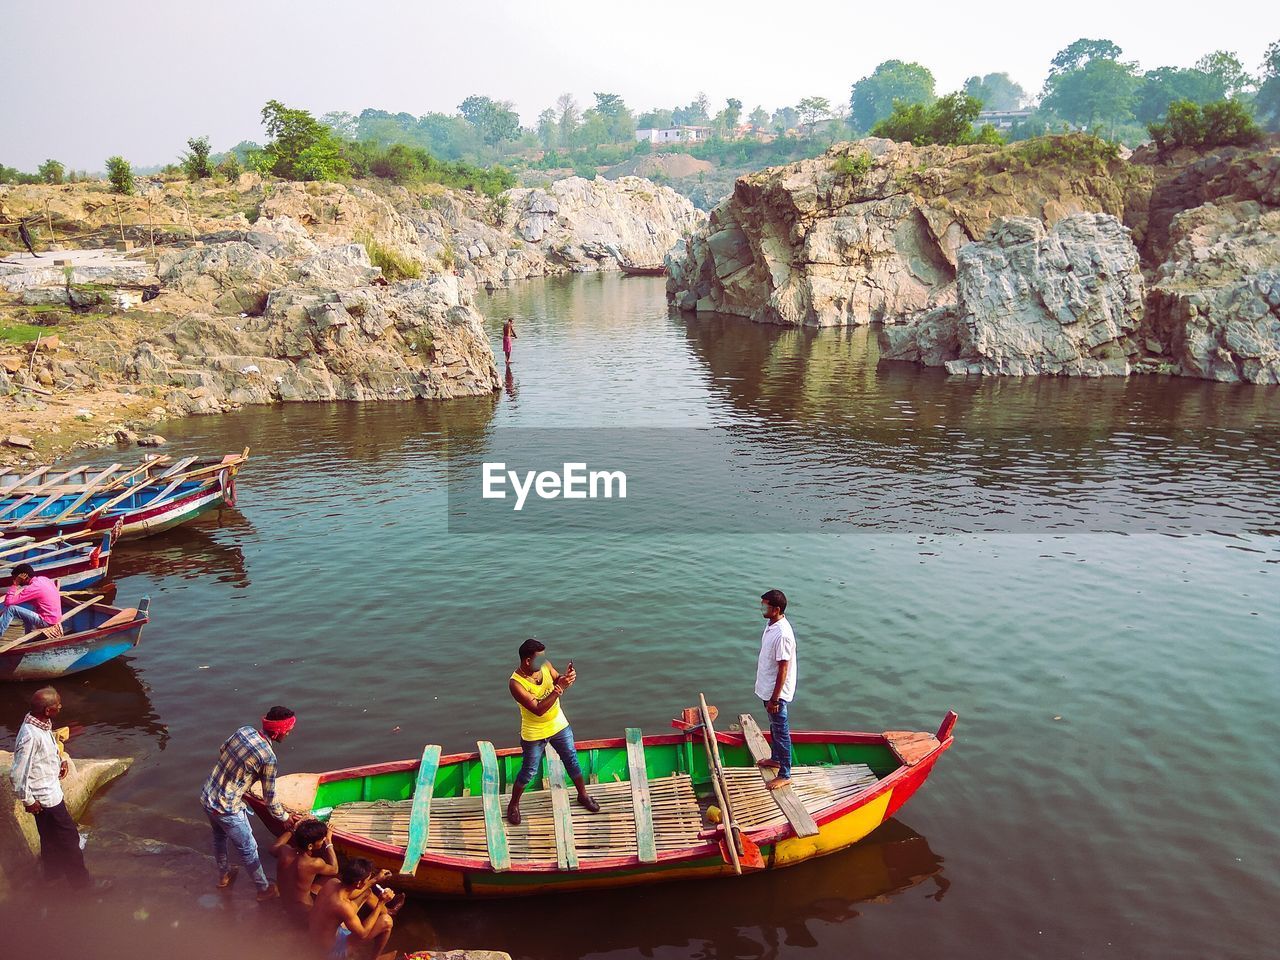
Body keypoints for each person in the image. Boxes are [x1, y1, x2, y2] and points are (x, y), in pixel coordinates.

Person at [9, 687, 107, 889]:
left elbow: (48, 749)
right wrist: (28, 800)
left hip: (49, 790)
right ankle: (82, 884)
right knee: (69, 839)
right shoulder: (30, 735)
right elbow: (18, 773)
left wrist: (60, 760)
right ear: (47, 710)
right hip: (45, 798)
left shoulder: (42, 723)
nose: (61, 707)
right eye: (57, 705)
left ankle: (52, 876)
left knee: (50, 838)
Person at [199, 705, 296, 901]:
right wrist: (284, 818)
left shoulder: (245, 730)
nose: (289, 733)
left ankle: (224, 875)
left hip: (208, 795)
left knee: (219, 837)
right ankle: (263, 889)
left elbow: (223, 750)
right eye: (288, 730)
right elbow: (270, 798)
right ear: (279, 731)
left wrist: (239, 780)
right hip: (228, 808)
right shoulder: (268, 757)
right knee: (249, 849)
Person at [506, 638, 599, 825]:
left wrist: (567, 678)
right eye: (539, 658)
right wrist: (559, 689)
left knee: (571, 759)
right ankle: (513, 804)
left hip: (558, 724)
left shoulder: (545, 666)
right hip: (534, 731)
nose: (544, 661)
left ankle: (583, 795)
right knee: (529, 770)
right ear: (527, 661)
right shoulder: (516, 684)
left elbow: (558, 680)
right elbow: (538, 710)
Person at [309, 858, 397, 960]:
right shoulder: (343, 906)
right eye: (368, 878)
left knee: (366, 892)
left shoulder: (332, 883)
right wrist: (381, 903)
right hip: (331, 951)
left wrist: (376, 879)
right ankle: (374, 958)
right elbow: (363, 934)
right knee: (387, 921)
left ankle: (389, 910)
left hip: (315, 937)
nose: (369, 880)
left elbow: (352, 891)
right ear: (359, 883)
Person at [754, 589, 798, 791]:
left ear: (777, 609)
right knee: (774, 726)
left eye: (766, 605)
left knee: (781, 731)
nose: (762, 608)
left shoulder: (782, 635)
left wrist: (774, 699)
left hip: (776, 693)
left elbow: (783, 669)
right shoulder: (771, 624)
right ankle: (776, 758)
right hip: (767, 687)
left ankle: (785, 773)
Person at [271, 816, 339, 916]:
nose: (323, 840)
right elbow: (335, 869)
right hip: (305, 911)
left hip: (285, 903)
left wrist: (293, 829)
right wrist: (328, 842)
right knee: (336, 879)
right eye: (321, 839)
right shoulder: (314, 863)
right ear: (310, 846)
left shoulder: (284, 850)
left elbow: (273, 848)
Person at [2, 562, 64, 638]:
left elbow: (8, 602)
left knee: (12, 609)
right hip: (56, 617)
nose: (15, 580)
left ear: (23, 576)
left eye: (16, 578)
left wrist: (15, 584)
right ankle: (28, 638)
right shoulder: (44, 579)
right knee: (23, 612)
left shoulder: (33, 587)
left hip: (47, 620)